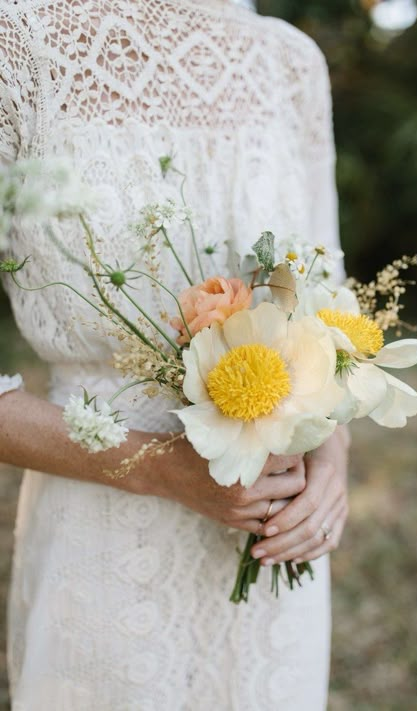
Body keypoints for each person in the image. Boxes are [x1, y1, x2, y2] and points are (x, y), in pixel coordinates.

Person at [0, 0, 350, 708]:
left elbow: (327, 297)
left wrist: (333, 451)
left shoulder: (291, 64)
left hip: (274, 534)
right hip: (103, 543)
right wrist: (162, 467)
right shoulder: (20, 41)